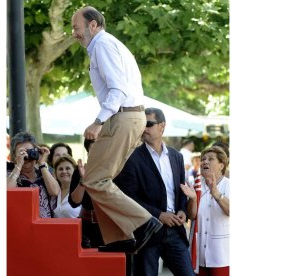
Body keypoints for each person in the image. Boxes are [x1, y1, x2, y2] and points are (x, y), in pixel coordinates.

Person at [71, 6, 162, 253]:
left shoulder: (102, 45)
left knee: (94, 179)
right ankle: (119, 238)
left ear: (93, 25)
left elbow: (118, 90)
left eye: (76, 28)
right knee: (99, 180)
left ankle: (143, 223)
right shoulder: (108, 45)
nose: (74, 34)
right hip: (129, 117)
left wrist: (98, 121)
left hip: (122, 117)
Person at [115, 107, 196, 276]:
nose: (144, 128)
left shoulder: (176, 157)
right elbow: (129, 197)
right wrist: (159, 214)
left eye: (149, 124)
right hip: (148, 231)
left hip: (175, 230)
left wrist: (182, 210)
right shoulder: (131, 157)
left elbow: (180, 191)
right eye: (141, 124)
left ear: (162, 126)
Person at [180, 146, 230, 276]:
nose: (205, 162)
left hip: (222, 254)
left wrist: (216, 194)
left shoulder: (229, 185)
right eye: (203, 159)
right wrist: (192, 199)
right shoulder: (196, 185)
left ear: (221, 165)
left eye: (211, 159)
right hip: (199, 252)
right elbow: (192, 216)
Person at [7, 131, 60, 218]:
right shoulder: (8, 172)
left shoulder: (44, 173)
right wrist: (19, 164)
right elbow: (7, 192)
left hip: (43, 227)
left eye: (29, 151)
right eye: (22, 153)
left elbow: (55, 192)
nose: (26, 156)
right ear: (14, 155)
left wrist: (42, 163)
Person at [68, 138, 104, 248]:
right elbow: (74, 202)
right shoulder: (79, 171)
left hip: (110, 227)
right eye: (93, 150)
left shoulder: (116, 171)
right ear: (88, 151)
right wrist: (83, 180)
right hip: (87, 226)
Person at [52, 154, 81, 218]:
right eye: (60, 169)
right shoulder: (53, 192)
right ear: (56, 173)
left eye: (67, 168)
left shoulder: (81, 191)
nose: (64, 171)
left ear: (74, 171)